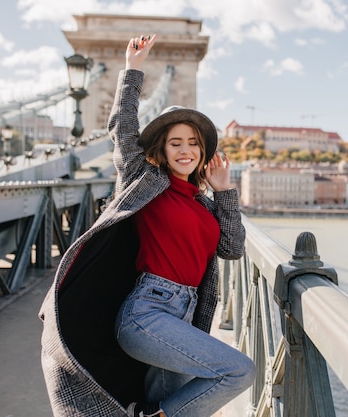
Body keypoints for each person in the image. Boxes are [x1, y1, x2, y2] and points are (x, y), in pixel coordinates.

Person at [39, 34, 255, 417]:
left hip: (186, 315)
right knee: (238, 371)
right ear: (161, 149)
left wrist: (225, 193)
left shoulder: (205, 206)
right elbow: (122, 132)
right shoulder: (145, 182)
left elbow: (232, 248)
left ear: (203, 152)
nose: (185, 149)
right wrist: (132, 70)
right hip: (148, 312)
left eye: (193, 143)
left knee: (164, 402)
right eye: (175, 143)